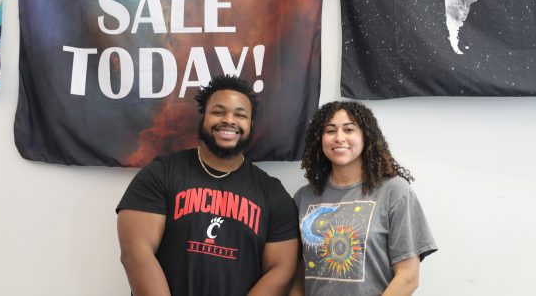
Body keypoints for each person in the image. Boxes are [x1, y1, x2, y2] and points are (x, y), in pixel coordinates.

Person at [116, 75, 300, 296]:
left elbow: (281, 270)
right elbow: (136, 252)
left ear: (250, 125)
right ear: (203, 118)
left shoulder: (273, 194)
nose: (229, 120)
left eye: (240, 115)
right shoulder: (162, 173)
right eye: (218, 112)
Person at [290, 101, 437, 296]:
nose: (339, 138)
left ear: (365, 136)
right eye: (330, 131)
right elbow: (297, 275)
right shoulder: (303, 197)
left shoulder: (394, 192)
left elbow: (408, 276)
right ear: (320, 139)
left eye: (349, 129)